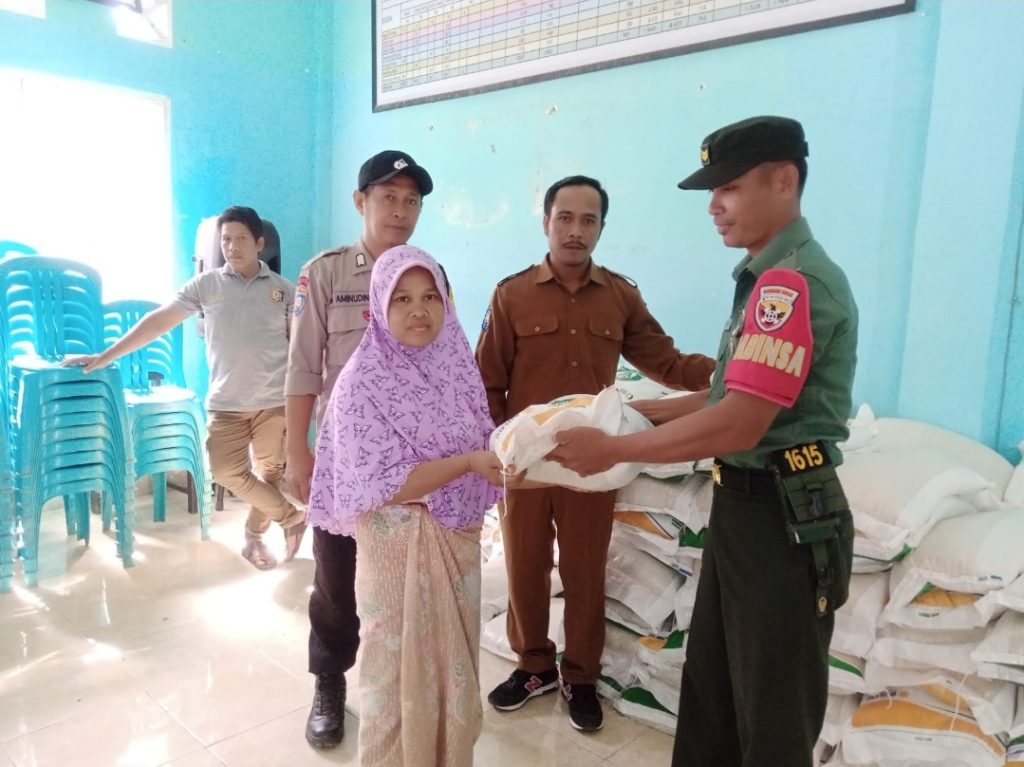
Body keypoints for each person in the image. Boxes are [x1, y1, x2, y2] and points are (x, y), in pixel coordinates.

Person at [550, 116, 858, 766]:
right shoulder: (764, 278)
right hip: (745, 508)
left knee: (771, 718)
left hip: (784, 517)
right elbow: (722, 398)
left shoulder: (791, 285)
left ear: (783, 181)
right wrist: (627, 412)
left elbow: (739, 423)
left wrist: (614, 450)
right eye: (712, 191)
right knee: (712, 696)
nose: (714, 205)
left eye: (729, 187)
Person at [474, 174, 716, 733]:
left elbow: (666, 362)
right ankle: (533, 666)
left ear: (602, 228)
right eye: (565, 218)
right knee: (525, 567)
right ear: (546, 222)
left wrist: (730, 373)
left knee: (585, 571)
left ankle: (581, 676)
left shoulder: (620, 295)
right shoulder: (511, 294)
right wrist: (499, 454)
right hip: (528, 463)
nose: (575, 231)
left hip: (591, 460)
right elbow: (487, 382)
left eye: (589, 220)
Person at [307, 244, 505, 767]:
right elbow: (380, 485)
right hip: (395, 550)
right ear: (379, 305)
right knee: (392, 677)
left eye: (430, 296)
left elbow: (482, 440)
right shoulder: (361, 382)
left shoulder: (458, 368)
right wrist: (468, 463)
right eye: (402, 298)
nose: (419, 310)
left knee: (453, 667)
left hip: (457, 544)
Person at [285, 150, 434, 749]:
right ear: (360, 202)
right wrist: (298, 450)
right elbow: (302, 368)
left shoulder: (425, 273)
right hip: (344, 461)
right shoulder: (324, 274)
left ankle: (395, 683)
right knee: (336, 578)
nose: (400, 211)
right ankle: (329, 681)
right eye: (388, 197)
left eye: (411, 200)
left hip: (411, 463)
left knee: (401, 581)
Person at [65, 205, 303, 571]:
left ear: (259, 243)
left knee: (269, 474)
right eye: (226, 239)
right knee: (225, 472)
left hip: (273, 402)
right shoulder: (206, 285)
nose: (232, 246)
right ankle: (291, 517)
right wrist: (106, 354)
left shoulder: (283, 291)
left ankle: (254, 537)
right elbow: (159, 320)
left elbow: (300, 347)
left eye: (241, 239)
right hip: (227, 403)